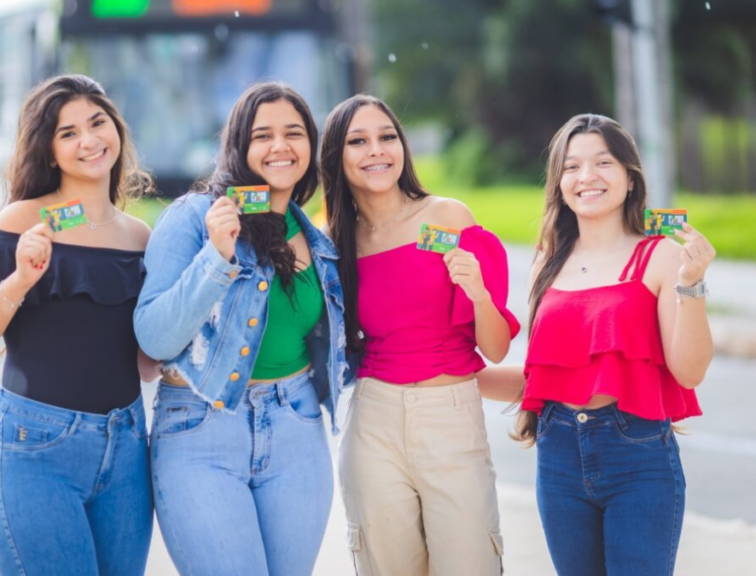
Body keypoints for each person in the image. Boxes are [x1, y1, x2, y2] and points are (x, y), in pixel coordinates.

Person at [482, 113, 714, 576]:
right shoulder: (547, 263)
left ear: (630, 179)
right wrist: (446, 372)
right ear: (559, 184)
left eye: (603, 163)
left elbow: (689, 372)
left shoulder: (662, 256)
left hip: (638, 457)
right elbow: (539, 378)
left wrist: (692, 284)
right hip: (558, 456)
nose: (586, 177)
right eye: (571, 167)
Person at [133, 82, 348, 576]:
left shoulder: (315, 237)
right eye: (262, 135)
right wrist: (217, 255)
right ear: (238, 147)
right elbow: (154, 339)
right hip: (200, 429)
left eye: (294, 133)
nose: (280, 146)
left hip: (295, 428)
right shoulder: (192, 218)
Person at [0, 75, 158, 576]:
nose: (88, 141)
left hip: (126, 448)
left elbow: (147, 364)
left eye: (97, 123)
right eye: (68, 133)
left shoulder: (139, 237)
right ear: (48, 151)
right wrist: (19, 281)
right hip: (35, 448)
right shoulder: (22, 221)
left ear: (117, 131)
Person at [322, 94, 519, 575]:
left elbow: (495, 348)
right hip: (373, 422)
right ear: (337, 157)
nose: (377, 150)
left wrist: (477, 292)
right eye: (358, 141)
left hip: (450, 416)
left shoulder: (447, 217)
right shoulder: (333, 242)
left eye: (387, 137)